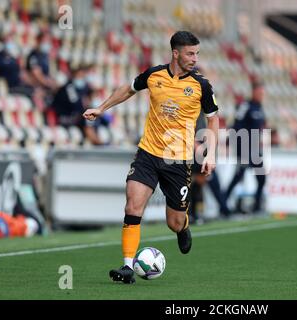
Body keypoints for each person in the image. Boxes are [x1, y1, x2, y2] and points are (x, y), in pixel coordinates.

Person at [83, 31, 219, 284]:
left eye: (197, 53)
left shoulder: (202, 85)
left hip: (177, 160)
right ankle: (126, 267)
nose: (195, 58)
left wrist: (210, 154)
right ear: (175, 53)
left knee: (174, 222)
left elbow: (213, 120)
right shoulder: (154, 74)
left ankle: (184, 224)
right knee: (132, 206)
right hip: (147, 152)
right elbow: (129, 89)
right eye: (190, 53)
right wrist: (101, 109)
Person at [224, 80, 267, 214]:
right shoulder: (245, 106)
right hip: (244, 146)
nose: (261, 95)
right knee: (238, 176)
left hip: (254, 148)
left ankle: (257, 205)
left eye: (262, 93)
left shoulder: (259, 108)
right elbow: (236, 124)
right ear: (253, 92)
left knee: (261, 177)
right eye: (259, 92)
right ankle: (223, 201)